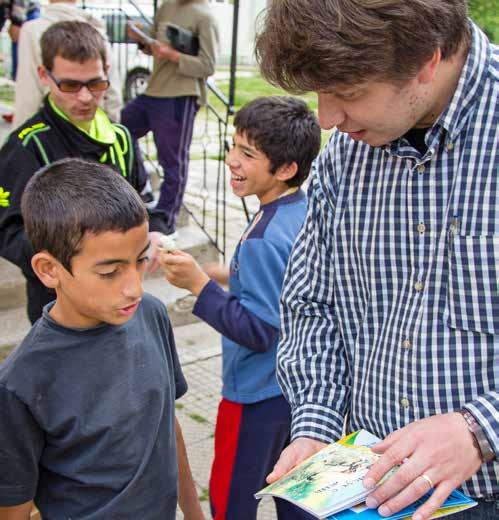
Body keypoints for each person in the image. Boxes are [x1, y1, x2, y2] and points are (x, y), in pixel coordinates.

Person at [254, 1, 498, 519]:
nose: (327, 119)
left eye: (346, 93)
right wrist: (317, 426)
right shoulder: (343, 156)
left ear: (427, 61)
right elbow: (311, 304)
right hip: (365, 491)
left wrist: (480, 428)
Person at [0, 158, 205, 520]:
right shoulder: (21, 382)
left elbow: (166, 424)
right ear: (49, 270)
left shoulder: (152, 314)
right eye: (110, 272)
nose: (135, 288)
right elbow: (13, 506)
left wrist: (194, 513)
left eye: (140, 260)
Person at [160, 96, 321, 519]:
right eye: (233, 146)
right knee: (297, 492)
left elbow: (259, 330)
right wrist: (225, 272)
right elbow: (284, 278)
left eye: (247, 154)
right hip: (298, 390)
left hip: (253, 396)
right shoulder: (298, 210)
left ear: (285, 169)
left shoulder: (261, 238)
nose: (231, 160)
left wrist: (198, 285)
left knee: (232, 496)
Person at [0, 21, 168, 325]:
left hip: (122, 301)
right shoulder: (26, 146)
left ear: (107, 69)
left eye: (95, 83)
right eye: (70, 85)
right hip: (60, 310)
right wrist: (77, 261)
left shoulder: (121, 138)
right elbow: (8, 232)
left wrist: (155, 232)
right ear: (44, 76)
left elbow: (144, 200)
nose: (86, 97)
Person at [122, 0, 219, 234]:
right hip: (153, 91)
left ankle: (166, 222)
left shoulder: (205, 16)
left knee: (173, 163)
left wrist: (173, 55)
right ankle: (141, 183)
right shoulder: (166, 6)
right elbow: (154, 43)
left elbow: (208, 66)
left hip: (180, 96)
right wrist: (142, 39)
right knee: (120, 131)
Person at [13, 0, 123, 128]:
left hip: (50, 132)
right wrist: (111, 133)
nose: (84, 97)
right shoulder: (96, 29)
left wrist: (19, 140)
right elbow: (113, 95)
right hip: (93, 132)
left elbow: (28, 96)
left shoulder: (32, 30)